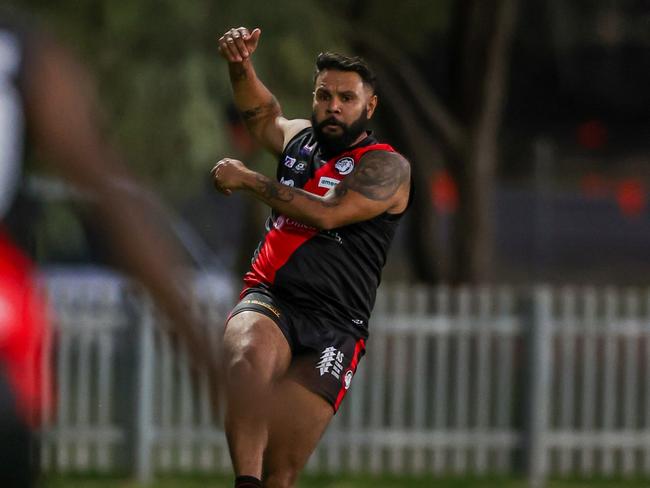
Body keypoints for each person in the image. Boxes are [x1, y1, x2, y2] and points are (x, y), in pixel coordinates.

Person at [0, 10, 218, 487]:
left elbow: (113, 202)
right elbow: (112, 200)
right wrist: (209, 361)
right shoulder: (22, 51)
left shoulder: (25, 53)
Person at [212, 26, 412, 488]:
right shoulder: (300, 139)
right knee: (246, 364)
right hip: (273, 296)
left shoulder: (387, 167)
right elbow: (263, 115)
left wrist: (249, 180)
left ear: (370, 106)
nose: (333, 106)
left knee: (281, 472)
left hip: (337, 324)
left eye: (346, 97)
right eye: (324, 95)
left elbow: (328, 214)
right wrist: (240, 65)